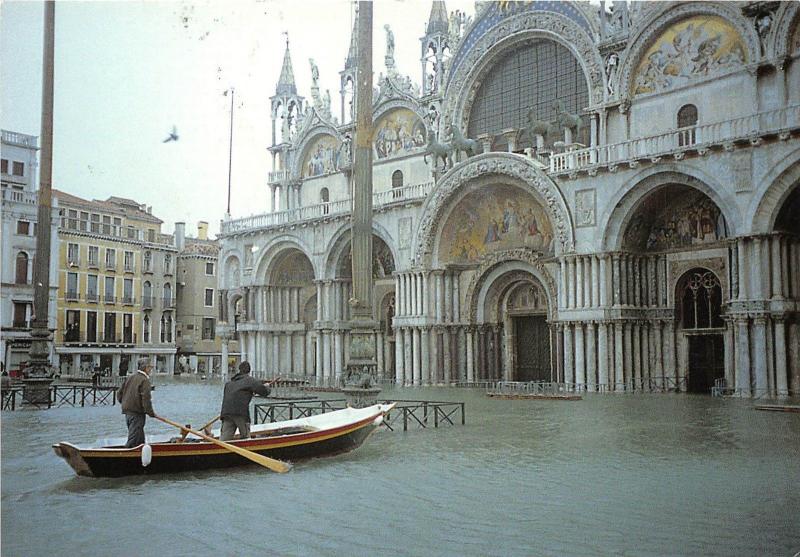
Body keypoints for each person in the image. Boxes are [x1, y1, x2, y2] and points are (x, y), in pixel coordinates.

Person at [219, 361, 271, 441]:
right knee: (245, 438)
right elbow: (263, 392)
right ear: (249, 371)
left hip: (226, 413)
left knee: (224, 441)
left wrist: (249, 393)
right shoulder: (249, 380)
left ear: (239, 370)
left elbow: (235, 396)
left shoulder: (229, 384)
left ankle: (221, 451)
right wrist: (267, 387)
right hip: (240, 413)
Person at [117, 359, 157, 448]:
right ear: (146, 368)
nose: (151, 370)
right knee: (133, 439)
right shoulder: (144, 380)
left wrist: (125, 404)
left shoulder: (130, 377)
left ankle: (141, 454)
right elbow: (146, 399)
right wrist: (151, 413)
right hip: (137, 414)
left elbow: (119, 394)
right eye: (150, 367)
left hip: (128, 412)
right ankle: (125, 456)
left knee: (139, 439)